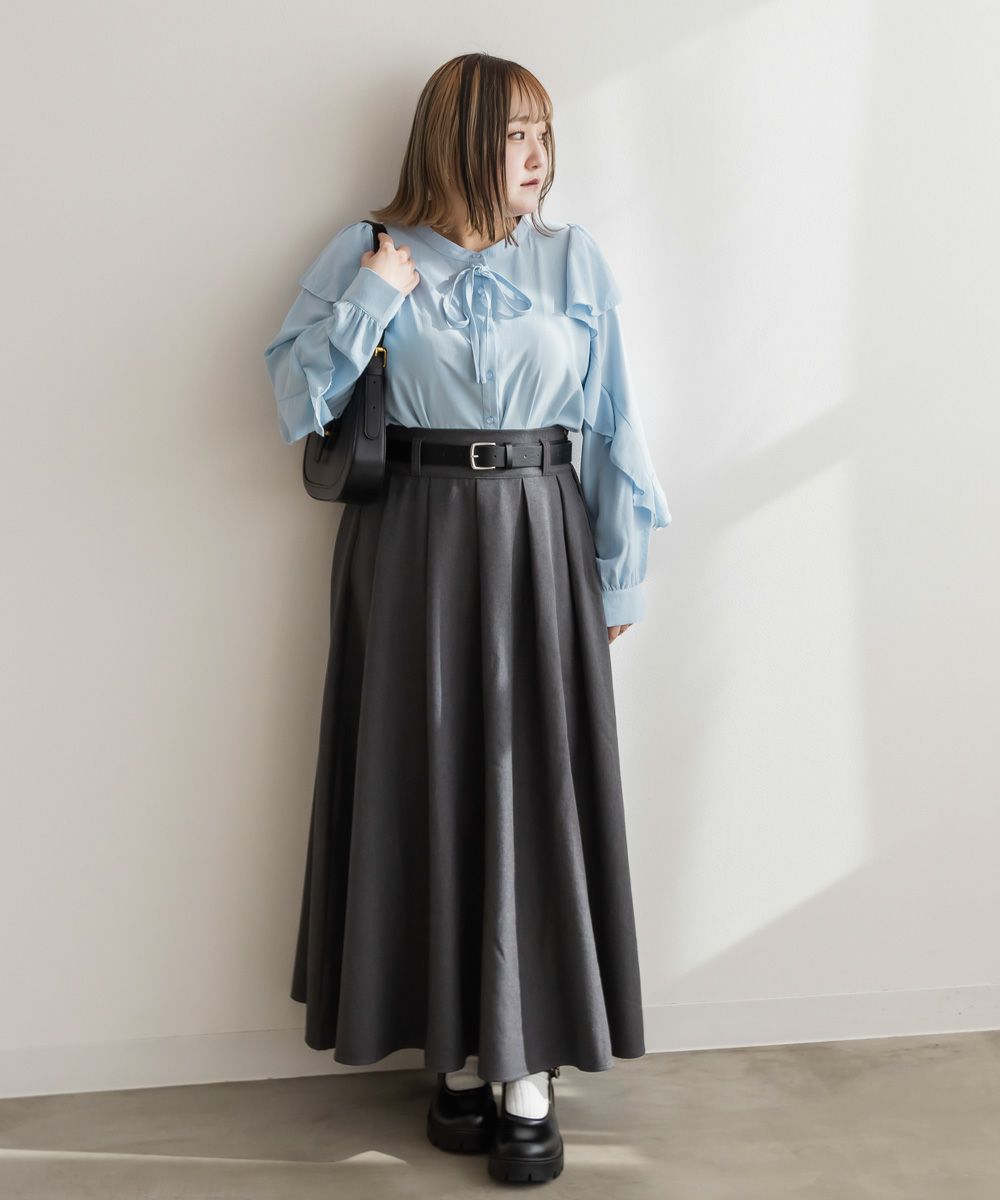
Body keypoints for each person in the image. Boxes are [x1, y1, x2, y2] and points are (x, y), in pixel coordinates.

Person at [263, 51, 671, 1186]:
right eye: (512, 134)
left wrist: (617, 574)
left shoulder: (572, 259)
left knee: (532, 792)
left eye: (543, 134)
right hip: (412, 544)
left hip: (541, 540)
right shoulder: (369, 250)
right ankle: (448, 1056)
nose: (535, 157)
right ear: (456, 139)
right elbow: (295, 399)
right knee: (423, 781)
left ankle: (525, 1069)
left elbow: (613, 422)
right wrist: (374, 295)